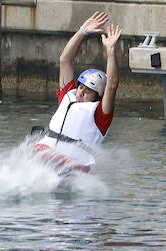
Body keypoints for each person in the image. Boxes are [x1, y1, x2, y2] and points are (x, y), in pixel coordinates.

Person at [31, 10, 121, 174]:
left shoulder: (101, 115)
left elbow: (112, 85)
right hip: (45, 152)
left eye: (87, 91)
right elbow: (65, 60)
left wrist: (110, 51)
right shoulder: (68, 96)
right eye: (80, 87)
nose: (80, 93)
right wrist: (82, 32)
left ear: (97, 97)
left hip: (72, 165)